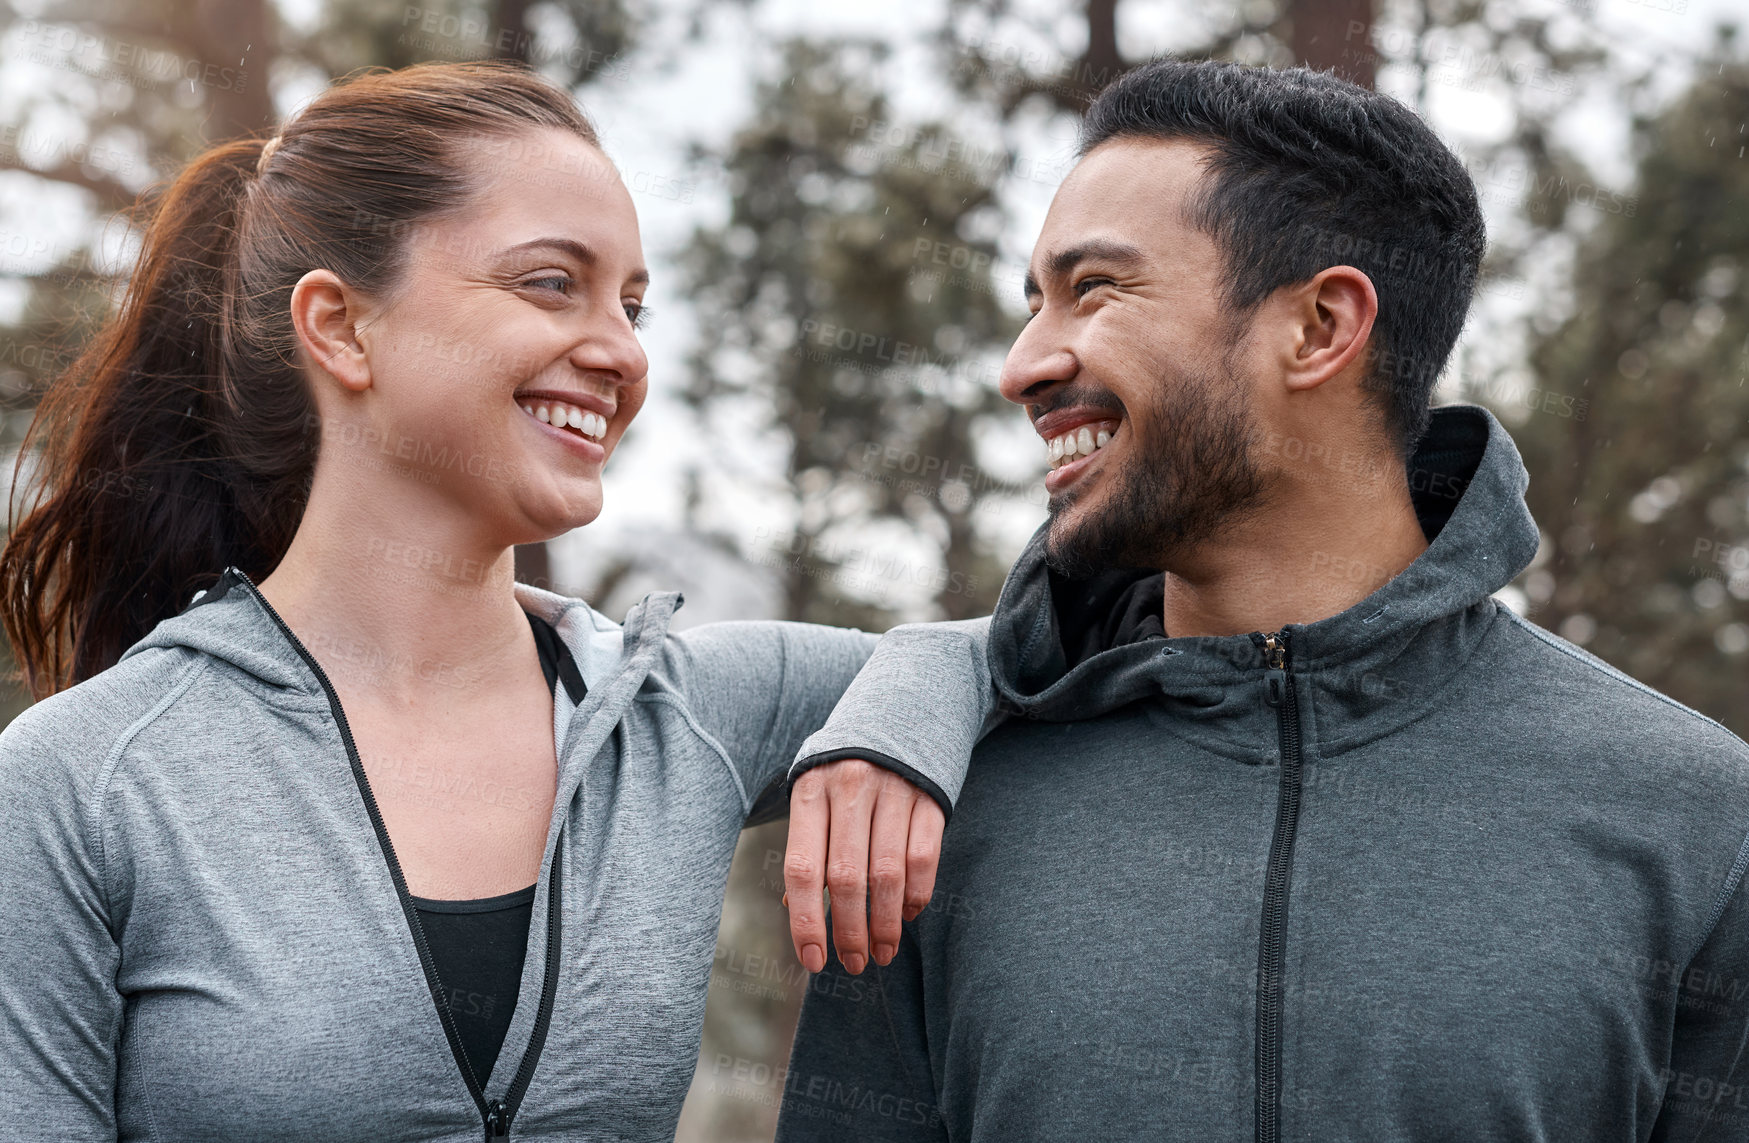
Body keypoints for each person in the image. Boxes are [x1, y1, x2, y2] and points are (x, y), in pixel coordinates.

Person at [0, 60, 987, 1141]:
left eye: (634, 304)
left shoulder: (688, 709)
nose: (621, 350)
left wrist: (912, 701)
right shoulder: (83, 782)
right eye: (551, 282)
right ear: (338, 326)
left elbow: (1035, 649)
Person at [776, 59, 1749, 1142]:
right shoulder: (934, 806)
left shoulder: (1697, 817)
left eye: (1094, 288)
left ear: (1321, 326)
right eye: (1033, 302)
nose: (1022, 365)